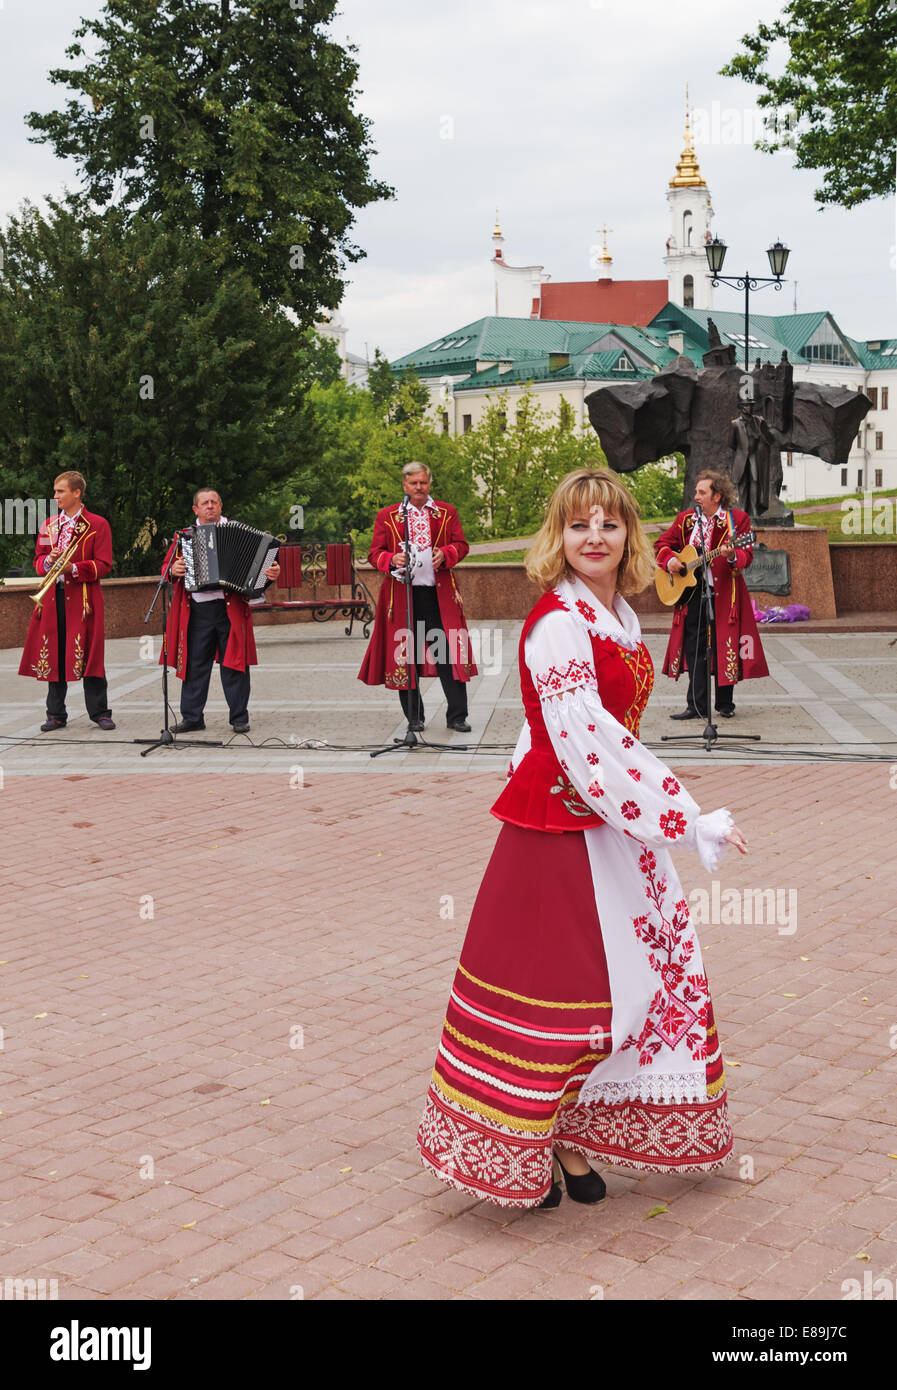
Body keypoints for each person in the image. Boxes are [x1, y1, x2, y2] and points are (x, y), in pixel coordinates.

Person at [416, 467, 747, 1209]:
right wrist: (682, 817)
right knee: (568, 992)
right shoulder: (559, 621)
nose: (592, 537)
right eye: (577, 524)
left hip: (609, 822)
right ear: (556, 536)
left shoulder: (618, 617)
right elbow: (585, 741)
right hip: (561, 828)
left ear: (629, 533)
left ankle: (568, 1133)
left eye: (607, 523)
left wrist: (653, 821)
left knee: (628, 984)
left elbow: (578, 733)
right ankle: (530, 1143)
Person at [358, 463, 476, 732]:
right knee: (405, 656)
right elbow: (374, 553)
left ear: (429, 483)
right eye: (414, 484)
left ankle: (457, 716)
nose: (419, 488)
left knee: (447, 654)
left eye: (423, 483)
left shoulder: (446, 512)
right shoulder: (388, 516)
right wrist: (391, 559)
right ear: (404, 486)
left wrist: (446, 554)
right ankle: (415, 717)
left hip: (439, 596)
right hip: (402, 598)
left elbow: (462, 545)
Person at [162, 488, 280, 733]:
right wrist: (173, 569)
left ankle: (239, 717)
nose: (210, 506)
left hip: (230, 609)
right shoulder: (184, 536)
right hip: (197, 610)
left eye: (214, 502)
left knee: (235, 663)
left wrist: (269, 575)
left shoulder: (238, 530)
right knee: (195, 664)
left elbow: (260, 574)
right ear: (195, 509)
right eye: (204, 503)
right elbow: (167, 567)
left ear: (220, 506)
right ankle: (193, 718)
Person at [655, 470, 768, 721]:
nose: (696, 496)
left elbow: (746, 556)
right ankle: (696, 705)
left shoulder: (736, 520)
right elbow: (661, 544)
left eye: (702, 492)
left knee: (724, 643)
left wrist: (730, 555)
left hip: (725, 594)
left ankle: (725, 703)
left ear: (716, 496)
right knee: (695, 648)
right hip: (692, 594)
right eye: (696, 491)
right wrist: (671, 560)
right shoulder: (685, 520)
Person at [19, 471, 115, 732]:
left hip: (83, 600)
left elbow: (104, 564)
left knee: (90, 654)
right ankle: (55, 714)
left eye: (60, 491)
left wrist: (73, 568)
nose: (55, 496)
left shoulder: (98, 524)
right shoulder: (48, 524)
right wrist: (49, 561)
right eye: (55, 491)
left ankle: (100, 712)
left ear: (76, 492)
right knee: (54, 654)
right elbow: (38, 560)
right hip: (52, 598)